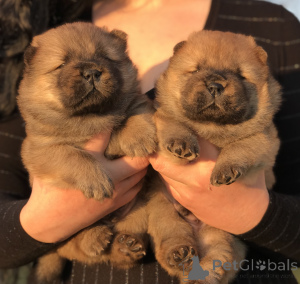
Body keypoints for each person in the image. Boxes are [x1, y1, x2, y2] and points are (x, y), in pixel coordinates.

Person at [0, 0, 300, 283]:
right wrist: (43, 221)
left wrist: (257, 213)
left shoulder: (275, 27)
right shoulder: (30, 25)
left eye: (107, 60)